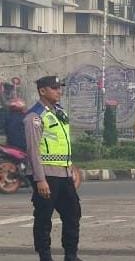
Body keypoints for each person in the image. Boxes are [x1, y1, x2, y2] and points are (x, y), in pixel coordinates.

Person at [24, 76, 82, 261]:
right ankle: (45, 256)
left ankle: (71, 255)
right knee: (44, 217)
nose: (59, 91)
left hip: (64, 175)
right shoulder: (34, 116)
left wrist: (70, 168)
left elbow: (63, 144)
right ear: (42, 91)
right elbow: (33, 150)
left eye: (59, 88)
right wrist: (40, 179)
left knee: (73, 214)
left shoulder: (59, 112)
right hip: (46, 175)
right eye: (54, 88)